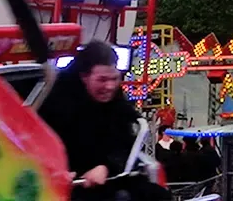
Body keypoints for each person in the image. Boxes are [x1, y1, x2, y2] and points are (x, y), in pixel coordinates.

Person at [37, 41, 171, 201]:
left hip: (108, 176)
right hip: (69, 181)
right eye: (102, 80)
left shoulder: (117, 103)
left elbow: (125, 143)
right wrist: (59, 172)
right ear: (84, 76)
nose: (109, 86)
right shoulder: (55, 100)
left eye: (114, 79)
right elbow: (40, 143)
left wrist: (107, 166)